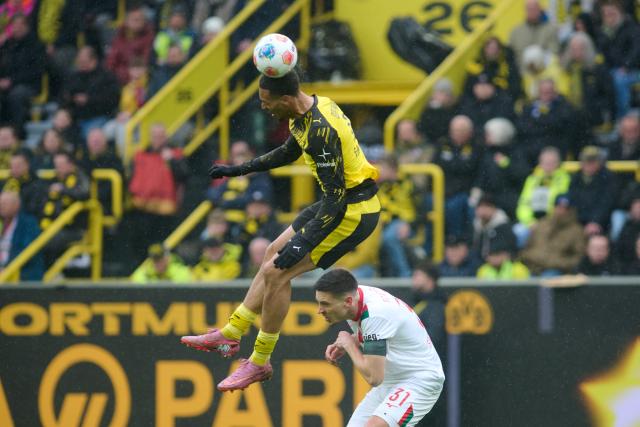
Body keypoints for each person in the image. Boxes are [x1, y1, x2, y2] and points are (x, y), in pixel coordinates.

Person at [181, 70, 381, 392]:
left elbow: (336, 203)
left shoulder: (320, 130)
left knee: (278, 273)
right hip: (340, 200)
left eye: (266, 102)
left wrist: (303, 243)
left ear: (285, 100)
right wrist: (240, 170)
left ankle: (259, 361)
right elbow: (288, 152)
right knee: (272, 252)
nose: (264, 108)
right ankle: (232, 334)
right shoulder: (307, 112)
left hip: (352, 212)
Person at [314, 269, 444, 427]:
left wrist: (349, 344)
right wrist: (353, 341)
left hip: (419, 381)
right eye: (319, 302)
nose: (319, 310)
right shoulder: (356, 299)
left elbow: (374, 378)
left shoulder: (375, 312)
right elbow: (380, 332)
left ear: (348, 302)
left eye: (325, 304)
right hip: (392, 381)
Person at [520, 194, 585, 276]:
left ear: (571, 210)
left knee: (549, 277)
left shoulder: (576, 231)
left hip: (555, 270)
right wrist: (528, 257)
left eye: (565, 208)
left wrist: (556, 262)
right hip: (532, 265)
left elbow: (578, 258)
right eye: (558, 207)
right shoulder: (542, 224)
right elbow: (527, 247)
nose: (561, 211)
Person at [0, 191, 43, 281]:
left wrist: (7, 268)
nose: (1, 207)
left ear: (17, 205)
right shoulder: (2, 223)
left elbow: (24, 250)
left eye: (5, 203)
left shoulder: (29, 223)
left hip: (19, 272)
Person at [411, 262, 447, 351]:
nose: (413, 279)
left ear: (430, 280)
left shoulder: (437, 306)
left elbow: (432, 338)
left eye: (418, 275)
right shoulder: (414, 301)